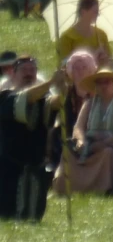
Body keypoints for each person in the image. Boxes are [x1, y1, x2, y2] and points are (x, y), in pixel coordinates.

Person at [0, 57, 65, 221]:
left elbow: (56, 103)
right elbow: (25, 99)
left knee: (33, 218)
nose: (29, 74)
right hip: (9, 168)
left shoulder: (43, 98)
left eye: (32, 70)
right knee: (8, 215)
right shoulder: (5, 97)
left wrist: (63, 86)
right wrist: (51, 82)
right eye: (24, 70)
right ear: (12, 74)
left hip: (36, 166)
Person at [53, 68, 113, 196]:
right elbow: (78, 127)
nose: (103, 86)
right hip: (88, 145)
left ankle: (103, 189)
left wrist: (104, 143)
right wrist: (80, 141)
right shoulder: (89, 104)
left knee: (108, 153)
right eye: (99, 83)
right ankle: (67, 187)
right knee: (68, 150)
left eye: (107, 82)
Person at [49, 50, 98, 169]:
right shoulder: (66, 93)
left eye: (84, 67)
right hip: (69, 134)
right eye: (76, 68)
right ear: (71, 72)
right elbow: (53, 105)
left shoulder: (97, 93)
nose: (80, 71)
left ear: (91, 70)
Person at [57, 0, 112, 66]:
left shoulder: (101, 34)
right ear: (83, 12)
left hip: (100, 75)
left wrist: (105, 59)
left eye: (98, 12)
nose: (98, 15)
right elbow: (65, 65)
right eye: (95, 11)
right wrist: (93, 57)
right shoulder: (68, 37)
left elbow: (111, 61)